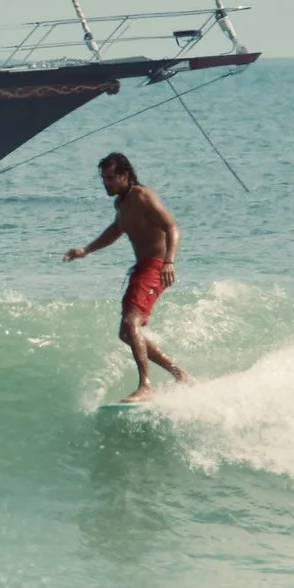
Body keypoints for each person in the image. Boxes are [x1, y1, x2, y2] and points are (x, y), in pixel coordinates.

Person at [63, 151, 194, 402]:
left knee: (131, 322)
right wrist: (86, 250)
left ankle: (145, 385)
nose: (106, 183)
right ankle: (181, 375)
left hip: (155, 267)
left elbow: (172, 227)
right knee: (126, 332)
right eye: (103, 178)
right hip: (141, 269)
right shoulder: (121, 203)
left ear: (125, 175)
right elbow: (117, 229)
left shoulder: (143, 197)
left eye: (111, 178)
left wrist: (169, 262)